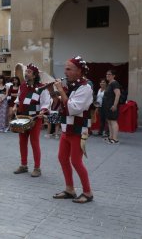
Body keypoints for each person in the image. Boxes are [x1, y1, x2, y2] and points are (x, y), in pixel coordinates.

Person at [52, 56, 94, 204]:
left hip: (78, 130)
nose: (65, 71)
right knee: (62, 158)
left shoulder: (86, 87)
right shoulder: (71, 85)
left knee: (76, 162)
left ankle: (88, 192)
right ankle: (70, 189)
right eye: (65, 68)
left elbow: (73, 108)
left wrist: (60, 91)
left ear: (79, 71)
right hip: (66, 128)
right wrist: (54, 94)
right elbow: (61, 106)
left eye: (69, 69)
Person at [12, 64, 50, 177]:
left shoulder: (41, 87)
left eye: (28, 72)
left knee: (34, 142)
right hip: (23, 117)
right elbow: (19, 99)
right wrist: (15, 106)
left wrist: (43, 111)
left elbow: (46, 102)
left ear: (34, 75)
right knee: (22, 142)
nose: (26, 73)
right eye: (26, 71)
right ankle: (24, 165)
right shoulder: (22, 86)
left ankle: (37, 168)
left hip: (35, 118)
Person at [103, 70, 121, 144]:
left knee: (113, 121)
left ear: (113, 75)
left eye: (109, 74)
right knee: (109, 121)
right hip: (108, 106)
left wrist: (115, 105)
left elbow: (118, 94)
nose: (107, 75)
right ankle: (111, 137)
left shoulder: (114, 83)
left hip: (112, 106)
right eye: (107, 74)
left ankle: (115, 139)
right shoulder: (109, 84)